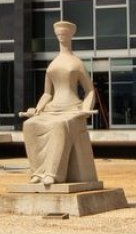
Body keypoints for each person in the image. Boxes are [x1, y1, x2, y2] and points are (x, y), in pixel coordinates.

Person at [19, 20, 99, 185]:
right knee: (29, 125)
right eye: (59, 34)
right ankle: (38, 172)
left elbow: (90, 90)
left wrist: (85, 108)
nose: (61, 37)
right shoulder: (53, 64)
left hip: (72, 110)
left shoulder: (77, 63)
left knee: (59, 125)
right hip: (52, 109)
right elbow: (47, 93)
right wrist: (38, 108)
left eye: (64, 34)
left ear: (70, 36)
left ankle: (53, 173)